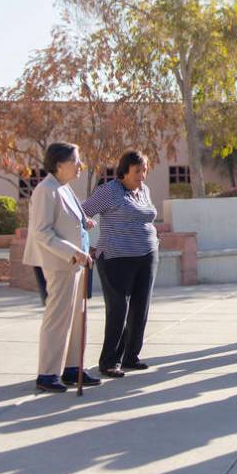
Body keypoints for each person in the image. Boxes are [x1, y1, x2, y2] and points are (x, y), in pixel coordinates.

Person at [23, 142, 98, 392]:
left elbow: (68, 220)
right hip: (60, 263)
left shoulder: (64, 188)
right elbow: (42, 232)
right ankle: (47, 373)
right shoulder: (46, 190)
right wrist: (73, 251)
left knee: (77, 318)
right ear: (59, 164)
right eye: (75, 160)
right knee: (58, 319)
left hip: (78, 264)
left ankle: (72, 369)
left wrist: (83, 223)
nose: (80, 165)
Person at [81, 150, 159, 377]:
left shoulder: (144, 190)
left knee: (140, 308)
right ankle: (109, 361)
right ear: (124, 171)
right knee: (118, 310)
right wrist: (88, 247)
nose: (142, 176)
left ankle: (131, 357)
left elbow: (146, 217)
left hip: (147, 255)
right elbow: (81, 213)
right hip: (116, 258)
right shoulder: (109, 191)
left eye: (144, 171)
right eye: (137, 171)